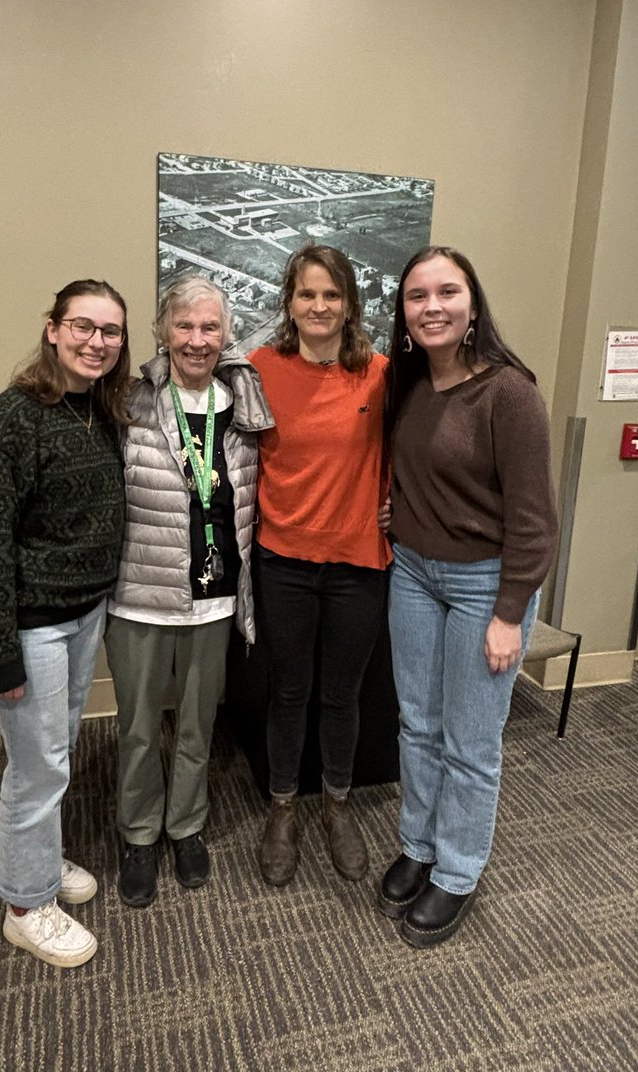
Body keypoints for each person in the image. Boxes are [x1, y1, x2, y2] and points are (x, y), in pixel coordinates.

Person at [380, 245, 557, 947]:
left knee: (471, 742)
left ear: (473, 304)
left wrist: (510, 613)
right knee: (417, 725)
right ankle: (418, 845)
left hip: (487, 583)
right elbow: (422, 470)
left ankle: (456, 871)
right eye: (417, 296)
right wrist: (401, 510)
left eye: (447, 292)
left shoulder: (509, 392)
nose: (432, 307)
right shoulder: (412, 381)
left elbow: (534, 520)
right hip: (416, 575)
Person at [0, 279, 129, 968]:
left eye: (110, 332)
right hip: (31, 625)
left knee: (52, 754)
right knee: (39, 766)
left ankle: (41, 865)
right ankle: (25, 905)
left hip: (84, 612)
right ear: (52, 329)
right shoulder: (8, 423)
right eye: (83, 326)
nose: (96, 342)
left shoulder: (99, 411)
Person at [106, 276, 273, 908]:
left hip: (217, 596)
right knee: (141, 727)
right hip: (141, 595)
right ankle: (139, 834)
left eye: (209, 327)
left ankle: (186, 826)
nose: (197, 340)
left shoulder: (244, 405)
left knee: (199, 725)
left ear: (226, 334)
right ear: (162, 330)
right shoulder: (133, 402)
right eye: (184, 326)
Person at [249, 244, 390, 887]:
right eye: (307, 294)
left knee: (342, 695)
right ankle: (283, 807)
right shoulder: (259, 369)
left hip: (358, 562)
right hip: (283, 560)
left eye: (331, 295)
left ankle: (336, 803)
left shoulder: (382, 374)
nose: (319, 306)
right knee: (288, 691)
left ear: (350, 305)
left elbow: (417, 450)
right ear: (290, 302)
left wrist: (399, 506)